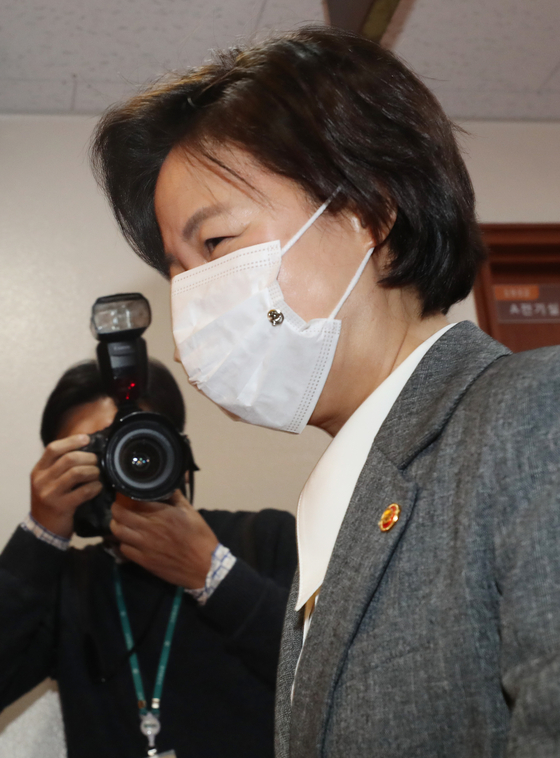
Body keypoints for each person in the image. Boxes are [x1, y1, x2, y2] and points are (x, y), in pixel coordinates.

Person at [90, 26, 560, 758]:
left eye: (214, 245)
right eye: (177, 271)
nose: (192, 297)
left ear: (368, 211)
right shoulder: (341, 508)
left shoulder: (533, 415)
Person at [0, 359, 297, 758]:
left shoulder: (264, 539)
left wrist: (214, 574)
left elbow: (339, 675)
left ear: (177, 449)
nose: (120, 468)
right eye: (96, 454)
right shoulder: (69, 586)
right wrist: (41, 532)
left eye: (134, 443)